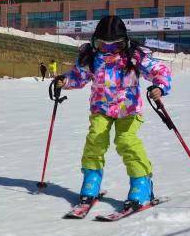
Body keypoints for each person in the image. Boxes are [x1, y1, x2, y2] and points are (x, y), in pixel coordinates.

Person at [53, 16, 172, 209]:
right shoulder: (91, 56)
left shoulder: (134, 56)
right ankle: (91, 179)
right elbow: (78, 76)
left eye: (114, 46)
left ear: (124, 42)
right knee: (95, 140)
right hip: (101, 108)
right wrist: (65, 81)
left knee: (126, 141)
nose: (108, 50)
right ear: (95, 42)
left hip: (129, 109)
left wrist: (160, 86)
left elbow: (160, 70)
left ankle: (141, 182)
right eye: (102, 45)